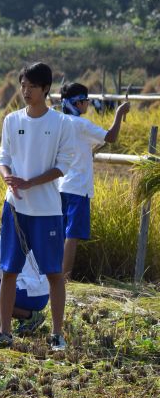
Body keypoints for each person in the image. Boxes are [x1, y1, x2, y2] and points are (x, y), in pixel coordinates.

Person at [0, 62, 74, 351]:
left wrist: (30, 182)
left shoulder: (61, 123)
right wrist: (8, 177)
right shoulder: (11, 120)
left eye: (32, 86)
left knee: (54, 273)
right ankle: (4, 332)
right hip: (15, 209)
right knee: (9, 271)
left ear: (45, 89)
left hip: (47, 211)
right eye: (23, 85)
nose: (26, 91)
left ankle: (57, 333)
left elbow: (62, 166)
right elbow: (3, 158)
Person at [58, 82, 130, 278]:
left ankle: (52, 277)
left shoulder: (58, 122)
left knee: (59, 233)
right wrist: (119, 113)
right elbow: (111, 137)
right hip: (78, 187)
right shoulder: (81, 124)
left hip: (60, 185)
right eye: (86, 101)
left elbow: (93, 143)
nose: (88, 104)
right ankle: (64, 278)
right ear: (78, 103)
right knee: (72, 235)